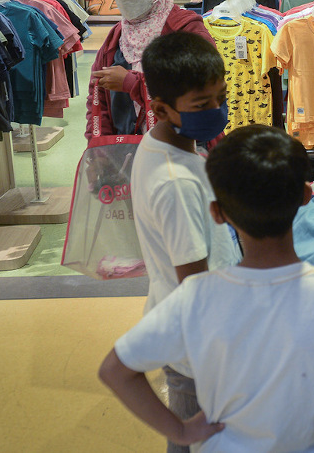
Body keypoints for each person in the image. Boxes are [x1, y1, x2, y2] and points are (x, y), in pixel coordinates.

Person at [99, 124, 314, 452]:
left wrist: (181, 431)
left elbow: (115, 370)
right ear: (306, 195)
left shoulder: (196, 296)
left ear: (217, 213)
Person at [104, 31, 242, 452]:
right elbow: (195, 286)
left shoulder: (170, 147)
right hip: (199, 348)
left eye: (221, 97)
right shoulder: (174, 182)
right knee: (195, 436)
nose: (217, 110)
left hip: (195, 336)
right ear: (161, 108)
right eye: (202, 105)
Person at [86, 0, 214, 140]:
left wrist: (133, 84)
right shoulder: (117, 37)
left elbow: (205, 86)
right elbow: (97, 99)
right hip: (126, 148)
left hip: (181, 146)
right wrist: (100, 145)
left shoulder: (185, 28)